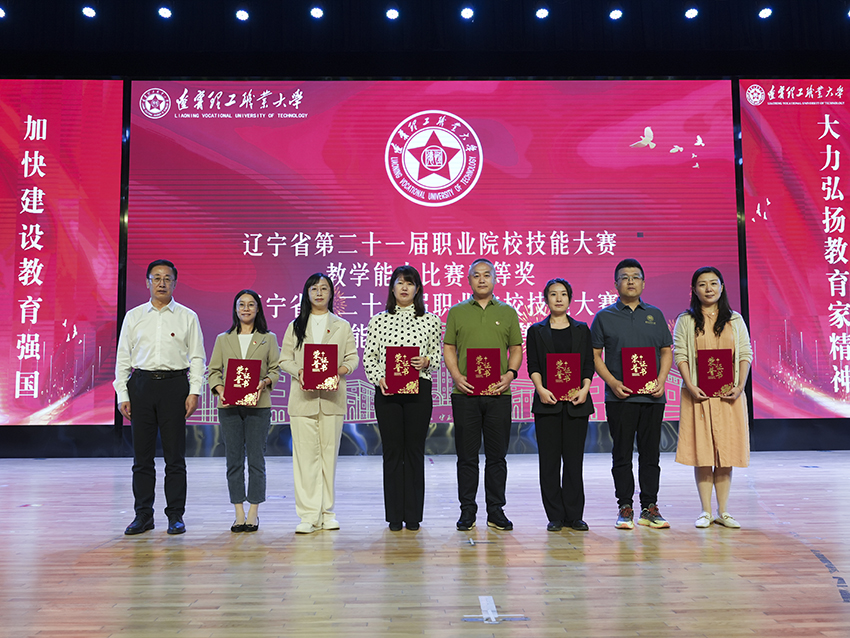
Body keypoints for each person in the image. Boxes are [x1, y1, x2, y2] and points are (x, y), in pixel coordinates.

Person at [115, 259, 205, 536]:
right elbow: (123, 357)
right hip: (141, 386)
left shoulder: (187, 316)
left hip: (174, 386)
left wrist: (194, 391)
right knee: (142, 458)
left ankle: (175, 516)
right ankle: (143, 515)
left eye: (167, 278)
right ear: (148, 282)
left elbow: (197, 357)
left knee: (174, 457)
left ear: (175, 283)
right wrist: (122, 393)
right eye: (157, 278)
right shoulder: (134, 316)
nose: (162, 283)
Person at [591, 258, 673, 530]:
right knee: (622, 454)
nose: (630, 281)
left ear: (643, 283)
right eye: (624, 277)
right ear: (615, 284)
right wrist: (613, 382)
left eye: (635, 277)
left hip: (652, 398)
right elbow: (595, 356)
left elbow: (665, 351)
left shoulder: (656, 315)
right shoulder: (604, 317)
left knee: (651, 455)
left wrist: (661, 380)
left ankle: (649, 507)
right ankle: (625, 506)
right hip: (620, 398)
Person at [444, 258, 523, 531]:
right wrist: (457, 376)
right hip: (464, 393)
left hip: (499, 394)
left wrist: (510, 374)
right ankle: (467, 511)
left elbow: (516, 348)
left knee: (497, 456)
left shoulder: (508, 312)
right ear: (468, 280)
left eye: (486, 275)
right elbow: (449, 347)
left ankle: (496, 511)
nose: (481, 279)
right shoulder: (456, 312)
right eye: (476, 275)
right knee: (466, 457)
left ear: (494, 279)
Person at [363, 266, 442, 532]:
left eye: (410, 283)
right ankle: (394, 516)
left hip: (419, 390)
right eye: (400, 282)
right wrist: (379, 378)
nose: (405, 287)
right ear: (392, 288)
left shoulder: (431, 320)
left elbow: (437, 356)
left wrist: (426, 361)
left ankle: (414, 515)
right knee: (393, 451)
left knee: (415, 451)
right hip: (388, 392)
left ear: (417, 289)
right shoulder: (378, 320)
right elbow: (369, 357)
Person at [673, 267, 753, 529]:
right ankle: (706, 511)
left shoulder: (735, 319)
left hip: (730, 396)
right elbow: (680, 355)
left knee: (726, 453)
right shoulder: (686, 320)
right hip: (699, 396)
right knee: (704, 453)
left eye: (713, 283)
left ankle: (724, 511)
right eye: (702, 284)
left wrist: (740, 386)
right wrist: (690, 385)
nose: (708, 289)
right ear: (694, 289)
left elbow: (745, 354)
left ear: (722, 287)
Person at [279, 273, 358, 534]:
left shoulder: (341, 326)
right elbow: (284, 359)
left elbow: (352, 358)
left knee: (328, 458)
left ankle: (327, 513)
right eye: (314, 288)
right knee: (304, 459)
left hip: (332, 400)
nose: (320, 293)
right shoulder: (295, 326)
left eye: (324, 288)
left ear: (331, 293)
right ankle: (308, 515)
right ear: (307, 293)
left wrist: (339, 370)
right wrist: (300, 372)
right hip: (303, 400)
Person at [208, 290, 280, 533]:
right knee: (234, 459)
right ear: (235, 309)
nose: (246, 309)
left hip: (259, 406)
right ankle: (238, 512)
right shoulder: (223, 339)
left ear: (258, 308)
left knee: (256, 459)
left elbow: (276, 369)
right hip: (229, 407)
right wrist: (220, 390)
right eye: (242, 304)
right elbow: (213, 371)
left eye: (251, 304)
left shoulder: (268, 338)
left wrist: (265, 382)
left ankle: (253, 512)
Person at [526, 278, 595, 532]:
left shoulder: (582, 329)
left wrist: (585, 389)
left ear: (570, 299)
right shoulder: (536, 331)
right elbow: (533, 364)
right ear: (546, 299)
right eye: (553, 294)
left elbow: (588, 364)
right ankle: (555, 515)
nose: (558, 298)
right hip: (548, 403)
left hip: (577, 403)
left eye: (563, 294)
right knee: (549, 462)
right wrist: (541, 389)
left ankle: (574, 515)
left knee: (574, 461)